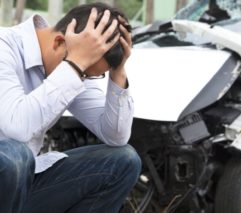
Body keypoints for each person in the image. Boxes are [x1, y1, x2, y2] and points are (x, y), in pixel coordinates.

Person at [0, 2, 141, 213]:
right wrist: (75, 66)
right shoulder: (4, 46)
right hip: (9, 172)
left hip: (19, 190)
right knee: (15, 156)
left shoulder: (73, 64)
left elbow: (116, 136)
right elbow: (16, 128)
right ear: (59, 42)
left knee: (125, 160)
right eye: (82, 72)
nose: (81, 78)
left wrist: (118, 72)